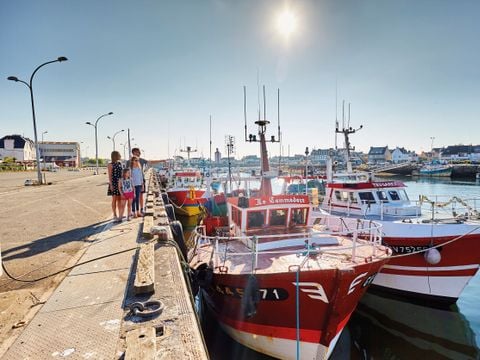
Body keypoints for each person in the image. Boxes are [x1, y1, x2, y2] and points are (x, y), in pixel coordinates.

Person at [127, 148, 148, 212]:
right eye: (137, 152)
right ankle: (132, 212)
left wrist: (162, 160)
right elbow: (126, 173)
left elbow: (151, 162)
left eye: (139, 152)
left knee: (140, 195)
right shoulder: (128, 162)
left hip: (140, 181)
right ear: (133, 153)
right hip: (132, 183)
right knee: (132, 197)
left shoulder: (141, 160)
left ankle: (141, 209)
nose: (139, 153)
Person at [107, 151, 123, 221]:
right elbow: (110, 176)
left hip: (120, 183)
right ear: (116, 156)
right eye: (119, 155)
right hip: (114, 183)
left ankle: (120, 214)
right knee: (114, 200)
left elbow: (122, 174)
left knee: (119, 199)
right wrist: (111, 185)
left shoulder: (120, 163)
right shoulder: (110, 164)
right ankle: (114, 215)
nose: (120, 156)